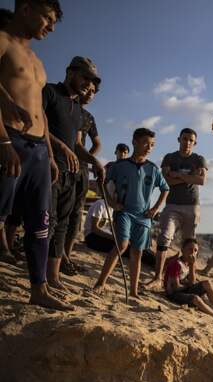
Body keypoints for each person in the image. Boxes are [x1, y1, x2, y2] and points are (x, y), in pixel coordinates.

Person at [0, 0, 71, 310]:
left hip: (39, 150)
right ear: (26, 8)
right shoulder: (2, 41)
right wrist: (3, 143)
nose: (51, 27)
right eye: (48, 18)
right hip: (9, 138)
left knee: (40, 221)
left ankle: (39, 289)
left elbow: (38, 107)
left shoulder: (37, 60)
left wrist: (51, 154)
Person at [44, 56, 105, 291]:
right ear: (70, 72)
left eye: (92, 81)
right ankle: (38, 277)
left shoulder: (79, 109)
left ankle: (54, 278)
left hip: (71, 172)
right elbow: (38, 125)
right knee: (45, 222)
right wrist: (58, 149)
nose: (88, 84)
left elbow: (78, 145)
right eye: (85, 77)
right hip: (49, 167)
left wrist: (94, 161)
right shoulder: (49, 92)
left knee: (62, 225)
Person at [93, 128, 169, 298]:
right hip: (125, 212)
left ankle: (134, 292)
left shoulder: (153, 168)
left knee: (137, 252)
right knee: (121, 245)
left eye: (152, 145)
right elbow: (103, 183)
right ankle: (100, 283)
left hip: (144, 217)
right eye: (145, 143)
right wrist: (112, 203)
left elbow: (165, 189)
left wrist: (155, 208)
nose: (149, 147)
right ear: (134, 142)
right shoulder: (120, 166)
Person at [149, 128, 207, 287]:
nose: (187, 142)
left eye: (191, 140)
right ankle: (157, 278)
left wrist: (178, 175)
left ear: (195, 143)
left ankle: (191, 278)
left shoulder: (199, 159)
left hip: (192, 206)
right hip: (172, 205)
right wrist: (190, 178)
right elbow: (166, 181)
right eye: (184, 139)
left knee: (190, 245)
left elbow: (201, 180)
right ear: (179, 139)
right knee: (164, 237)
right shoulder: (169, 158)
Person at [61, 79, 102, 277]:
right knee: (60, 212)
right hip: (61, 162)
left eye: (94, 92)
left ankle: (66, 257)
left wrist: (88, 157)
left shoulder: (89, 117)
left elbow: (96, 143)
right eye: (88, 90)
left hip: (81, 166)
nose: (89, 94)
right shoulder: (67, 105)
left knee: (76, 213)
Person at [163, 238, 213, 322]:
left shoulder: (190, 263)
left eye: (195, 251)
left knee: (207, 283)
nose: (192, 253)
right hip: (173, 294)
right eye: (190, 249)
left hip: (183, 289)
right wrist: (188, 285)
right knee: (195, 298)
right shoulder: (176, 264)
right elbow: (176, 287)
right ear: (182, 250)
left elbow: (192, 282)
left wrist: (191, 265)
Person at [83, 195, 156, 266]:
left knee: (136, 244)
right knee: (128, 249)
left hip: (105, 237)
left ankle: (156, 260)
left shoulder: (113, 209)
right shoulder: (101, 203)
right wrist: (114, 238)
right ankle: (154, 262)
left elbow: (113, 229)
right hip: (92, 238)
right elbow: (94, 229)